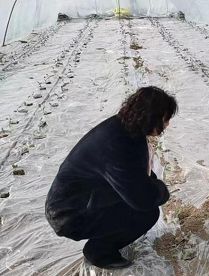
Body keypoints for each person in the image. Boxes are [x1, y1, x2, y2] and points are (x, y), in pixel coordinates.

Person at [45, 86, 177, 269]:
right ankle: (99, 251)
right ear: (151, 117)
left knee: (143, 202)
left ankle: (104, 238)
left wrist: (152, 184)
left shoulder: (126, 128)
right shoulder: (117, 143)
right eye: (165, 119)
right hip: (69, 214)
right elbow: (142, 199)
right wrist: (161, 190)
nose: (167, 125)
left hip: (85, 198)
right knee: (147, 213)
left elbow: (138, 175)